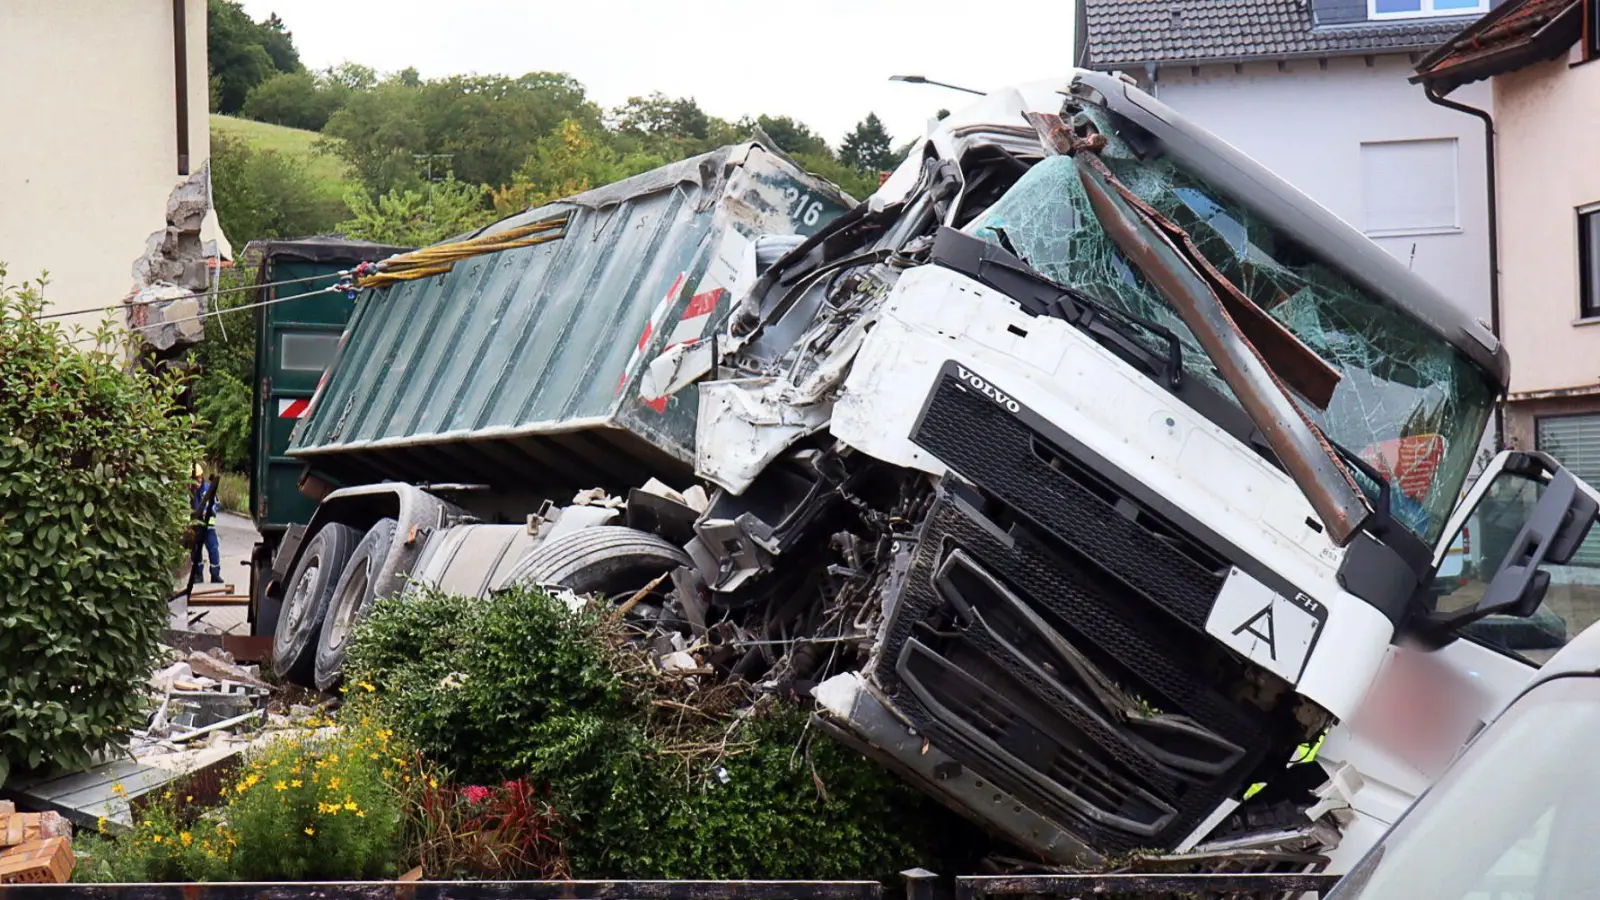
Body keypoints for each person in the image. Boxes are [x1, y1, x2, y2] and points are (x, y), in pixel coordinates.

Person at [190, 468, 222, 584]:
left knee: (213, 549)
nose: (197, 481)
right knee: (196, 551)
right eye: (194, 478)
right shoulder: (189, 492)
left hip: (209, 527)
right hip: (196, 527)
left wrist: (208, 510)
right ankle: (198, 574)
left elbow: (217, 504)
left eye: (199, 478)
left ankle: (215, 574)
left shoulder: (208, 489)